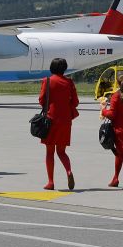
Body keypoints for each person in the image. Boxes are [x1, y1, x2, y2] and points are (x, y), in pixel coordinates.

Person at [38, 58, 79, 191]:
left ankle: (50, 182)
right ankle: (68, 171)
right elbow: (76, 102)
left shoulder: (47, 81)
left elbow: (41, 100)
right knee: (61, 152)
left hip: (51, 120)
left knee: (50, 152)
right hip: (66, 121)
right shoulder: (69, 82)